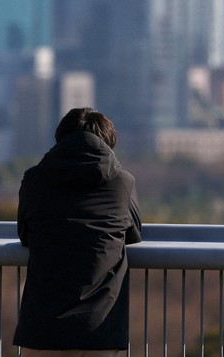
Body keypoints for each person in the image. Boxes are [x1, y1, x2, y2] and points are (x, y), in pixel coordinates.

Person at [13, 107, 142, 356]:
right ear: (108, 144)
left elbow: (25, 233)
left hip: (42, 330)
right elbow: (134, 233)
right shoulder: (122, 183)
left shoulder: (34, 180)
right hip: (100, 330)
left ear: (60, 139)